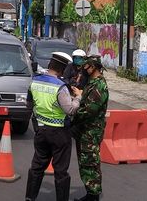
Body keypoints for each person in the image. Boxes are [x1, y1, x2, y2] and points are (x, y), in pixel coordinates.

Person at [25, 52, 82, 201]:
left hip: (41, 131)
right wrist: (78, 98)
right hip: (59, 133)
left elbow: (29, 105)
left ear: (50, 65)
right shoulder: (60, 87)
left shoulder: (34, 81)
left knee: (37, 166)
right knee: (60, 170)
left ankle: (30, 198)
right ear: (62, 70)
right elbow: (69, 109)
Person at [71, 55, 109, 201]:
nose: (84, 70)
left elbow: (89, 110)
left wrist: (72, 115)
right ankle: (90, 193)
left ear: (93, 67)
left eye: (86, 67)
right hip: (85, 130)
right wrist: (80, 94)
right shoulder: (92, 83)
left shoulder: (99, 85)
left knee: (90, 163)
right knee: (85, 162)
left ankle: (93, 195)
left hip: (91, 131)